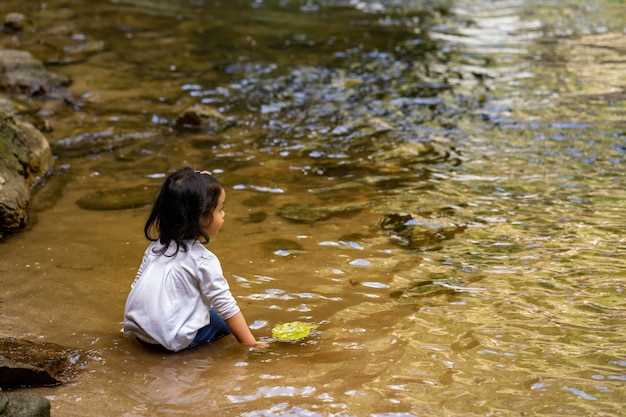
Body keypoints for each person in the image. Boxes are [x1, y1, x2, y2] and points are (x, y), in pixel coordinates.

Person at [122, 167, 267, 351]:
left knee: (198, 304)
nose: (223, 215)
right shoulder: (203, 260)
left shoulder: (156, 247)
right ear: (203, 217)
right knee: (220, 320)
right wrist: (251, 344)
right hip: (170, 342)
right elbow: (227, 305)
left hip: (140, 334)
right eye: (220, 209)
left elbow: (136, 285)